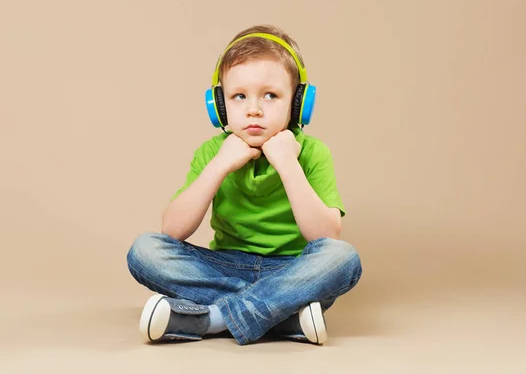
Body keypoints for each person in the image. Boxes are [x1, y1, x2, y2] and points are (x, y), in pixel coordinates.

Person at [126, 24, 362, 346]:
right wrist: (220, 164)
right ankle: (283, 316)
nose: (254, 109)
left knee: (342, 258)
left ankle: (211, 319)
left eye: (271, 95)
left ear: (298, 103)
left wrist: (288, 164)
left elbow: (326, 237)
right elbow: (172, 230)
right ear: (220, 105)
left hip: (292, 270)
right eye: (239, 96)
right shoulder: (212, 152)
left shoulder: (312, 153)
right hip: (225, 266)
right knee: (145, 251)